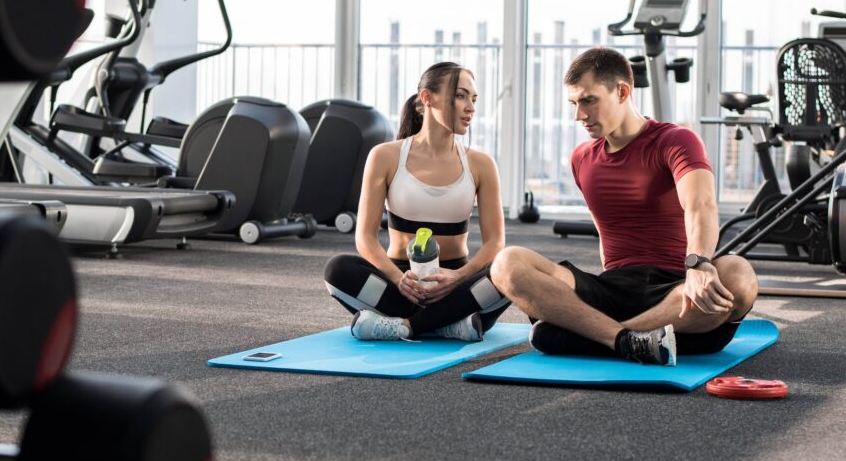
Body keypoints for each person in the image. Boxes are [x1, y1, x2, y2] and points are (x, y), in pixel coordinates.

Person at [490, 47, 758, 365]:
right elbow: (609, 236)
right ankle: (625, 340)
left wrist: (698, 265)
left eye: (589, 100)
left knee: (738, 275)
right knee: (506, 264)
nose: (579, 115)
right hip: (613, 290)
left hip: (677, 291)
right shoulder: (582, 158)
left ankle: (600, 338)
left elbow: (700, 204)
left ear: (622, 91)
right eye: (574, 104)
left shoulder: (676, 140)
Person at [324, 61, 509, 341]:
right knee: (337, 270)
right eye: (460, 96)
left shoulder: (481, 164)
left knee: (512, 271)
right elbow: (365, 238)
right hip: (399, 281)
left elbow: (495, 243)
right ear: (427, 98)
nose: (470, 107)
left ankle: (408, 326)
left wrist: (458, 278)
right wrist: (399, 280)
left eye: (473, 99)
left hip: (457, 281)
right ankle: (448, 324)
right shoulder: (385, 156)